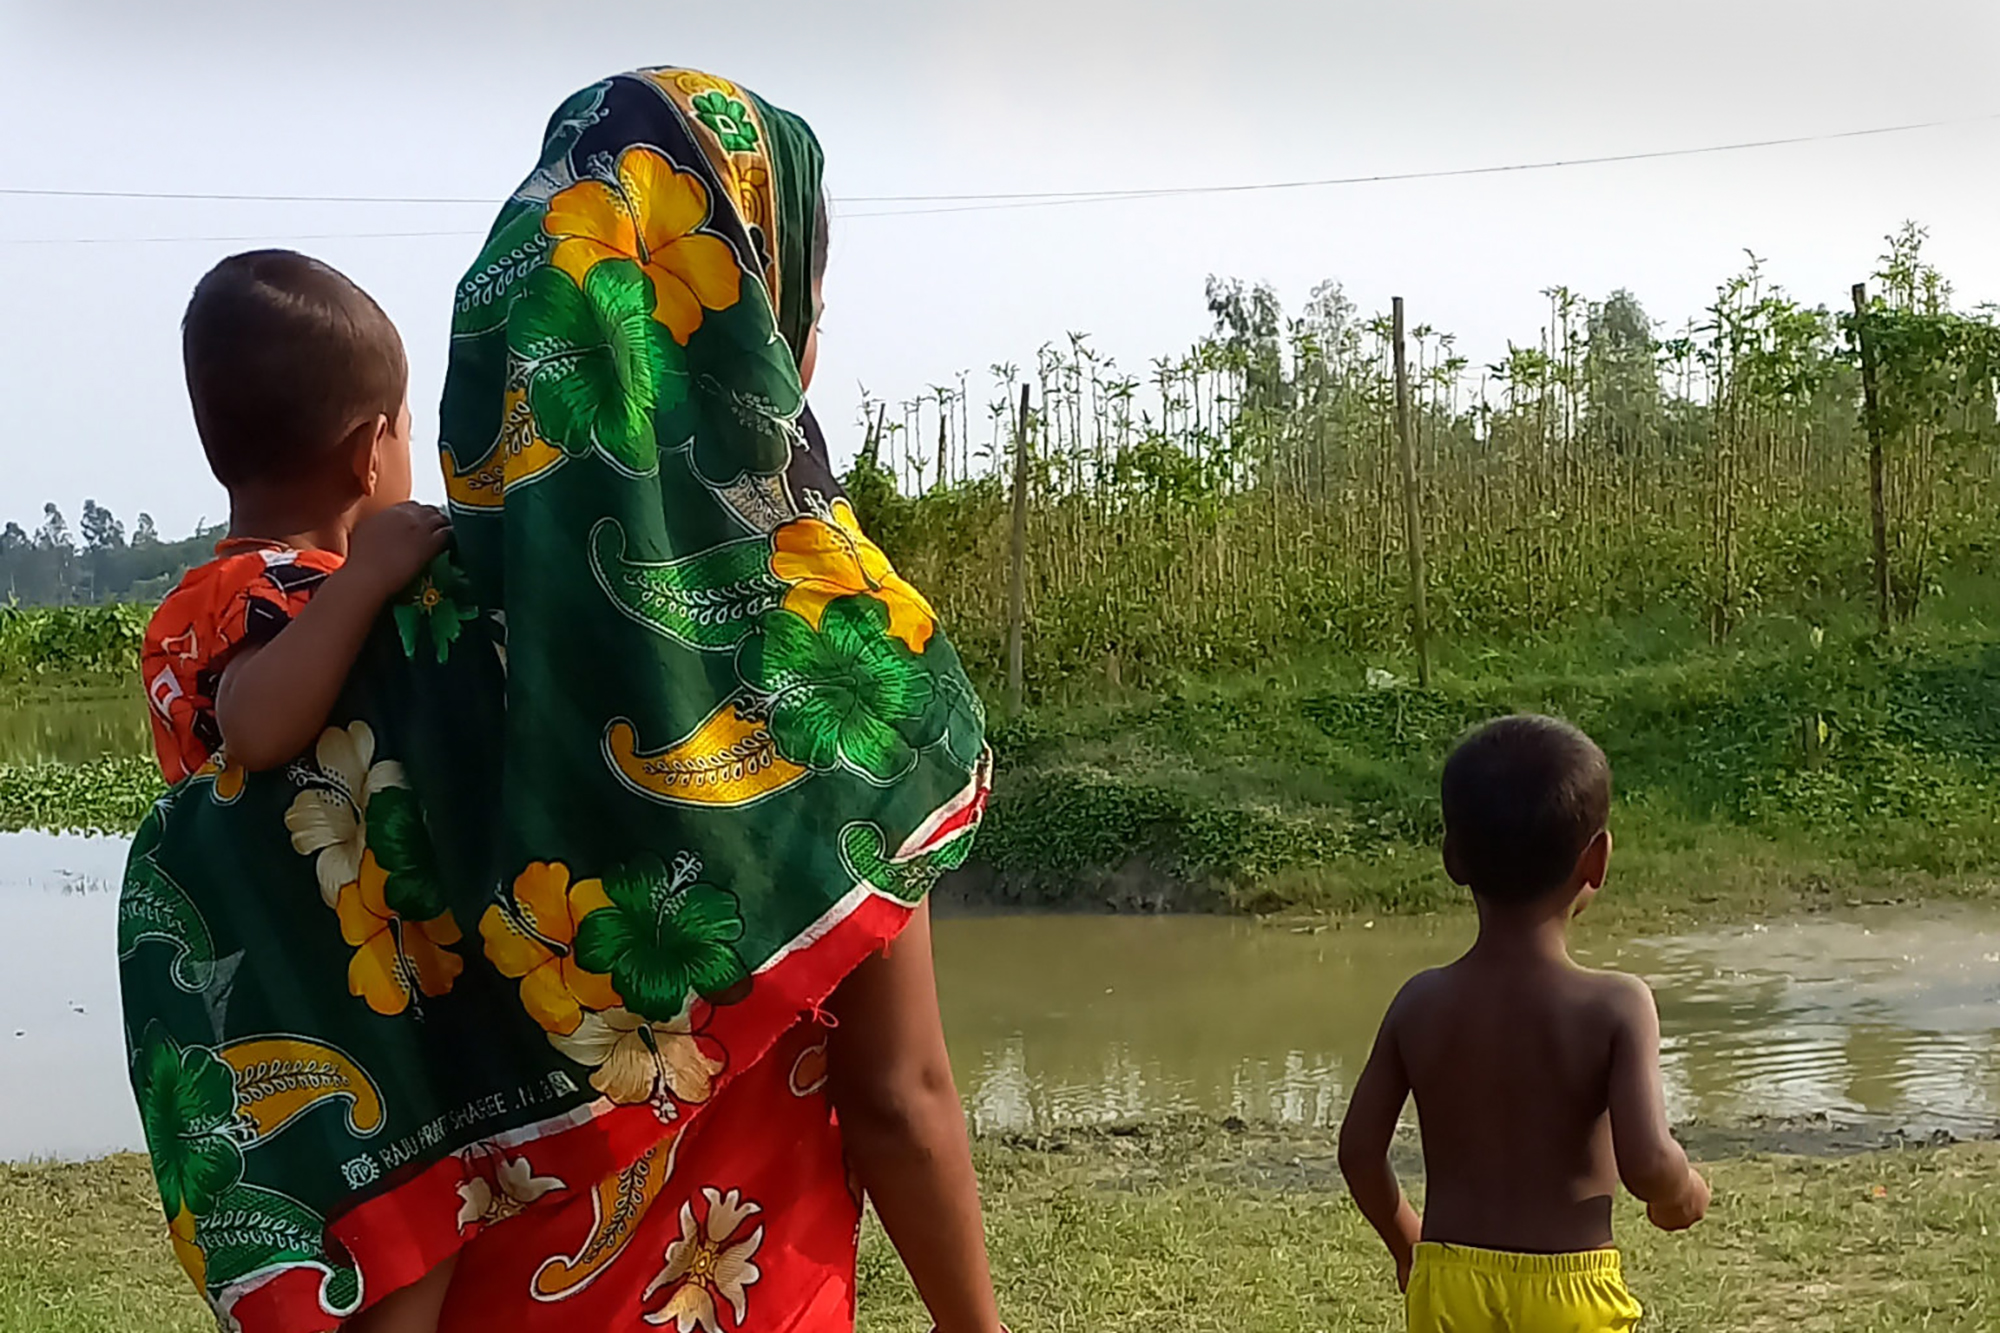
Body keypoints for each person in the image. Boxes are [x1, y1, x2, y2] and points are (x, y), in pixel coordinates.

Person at [121, 65, 1004, 1333]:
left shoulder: (383, 646)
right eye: (799, 290)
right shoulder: (818, 651)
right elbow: (901, 1098)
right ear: (735, 318)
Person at [1338, 714, 1709, 1333]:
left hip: (1447, 1283)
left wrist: (1409, 1245)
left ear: (1453, 858)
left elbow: (1359, 1153)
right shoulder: (1617, 1004)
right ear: (1597, 859)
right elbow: (1646, 1162)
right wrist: (1684, 1190)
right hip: (1567, 1292)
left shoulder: (1420, 1002)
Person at [141, 250, 451, 792]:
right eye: (407, 433)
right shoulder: (281, 591)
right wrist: (363, 579)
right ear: (369, 456)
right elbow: (254, 729)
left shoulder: (214, 595)